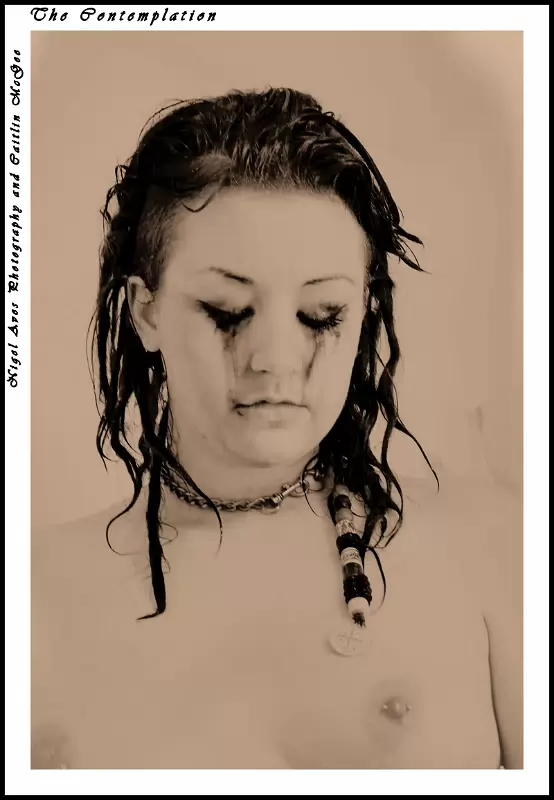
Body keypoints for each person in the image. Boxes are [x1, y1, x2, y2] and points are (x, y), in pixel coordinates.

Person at [31, 87, 522, 770]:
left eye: (322, 314)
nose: (274, 359)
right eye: (228, 311)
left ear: (363, 313)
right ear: (145, 312)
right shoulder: (32, 594)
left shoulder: (495, 550)